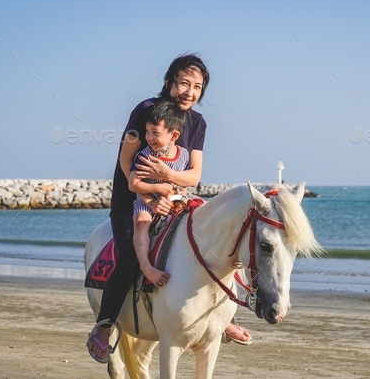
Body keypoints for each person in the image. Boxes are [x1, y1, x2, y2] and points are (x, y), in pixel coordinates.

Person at [87, 54, 251, 364]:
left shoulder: (198, 123)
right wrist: (151, 194)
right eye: (183, 83)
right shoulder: (147, 112)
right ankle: (105, 325)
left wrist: (168, 179)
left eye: (197, 87)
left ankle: (220, 314)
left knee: (217, 246)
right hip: (134, 201)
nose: (189, 92)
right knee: (130, 261)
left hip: (175, 200)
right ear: (169, 82)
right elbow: (126, 162)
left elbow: (195, 175)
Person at [128, 99, 188, 288]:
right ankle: (146, 267)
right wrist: (159, 189)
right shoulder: (146, 156)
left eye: (155, 133)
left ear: (174, 135)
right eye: (147, 131)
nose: (149, 137)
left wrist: (179, 195)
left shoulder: (184, 154)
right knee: (141, 222)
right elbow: (133, 184)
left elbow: (183, 182)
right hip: (146, 202)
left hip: (173, 202)